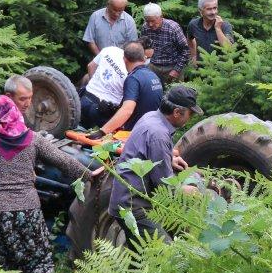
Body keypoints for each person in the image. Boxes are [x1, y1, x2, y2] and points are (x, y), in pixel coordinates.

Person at [0, 95, 91, 273]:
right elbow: (64, 161)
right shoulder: (32, 138)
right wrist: (89, 174)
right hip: (27, 211)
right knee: (38, 262)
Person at [107, 85, 203, 247]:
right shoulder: (158, 134)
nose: (191, 118)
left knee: (138, 257)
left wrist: (168, 158)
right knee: (165, 254)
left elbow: (144, 152)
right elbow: (165, 186)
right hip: (133, 206)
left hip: (123, 200)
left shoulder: (151, 117)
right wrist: (190, 190)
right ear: (177, 112)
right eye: (190, 113)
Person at [97, 42, 161, 135]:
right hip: (150, 129)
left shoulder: (133, 78)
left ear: (124, 59)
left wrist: (102, 132)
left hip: (134, 133)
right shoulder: (153, 76)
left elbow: (127, 110)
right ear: (144, 58)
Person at [81, 44, 132, 128]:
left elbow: (90, 66)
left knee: (76, 134)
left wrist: (94, 85)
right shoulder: (131, 69)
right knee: (97, 139)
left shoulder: (109, 50)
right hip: (104, 111)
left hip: (86, 98)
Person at [141, 3, 190, 84]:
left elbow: (186, 50)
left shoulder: (173, 28)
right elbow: (143, 47)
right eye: (147, 21)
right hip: (153, 66)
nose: (150, 24)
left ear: (161, 16)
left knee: (176, 94)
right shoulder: (145, 28)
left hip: (172, 66)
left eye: (153, 21)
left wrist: (177, 70)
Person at [188, 0, 234, 65]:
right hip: (201, 70)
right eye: (209, 9)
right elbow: (190, 39)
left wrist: (218, 28)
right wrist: (193, 56)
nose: (213, 12)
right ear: (200, 11)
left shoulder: (225, 25)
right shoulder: (193, 25)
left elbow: (229, 49)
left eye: (215, 8)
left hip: (221, 71)